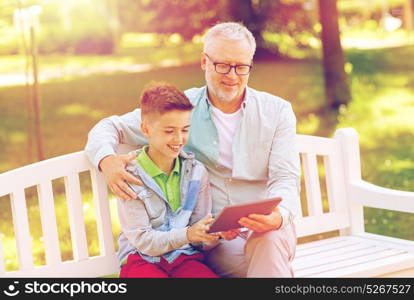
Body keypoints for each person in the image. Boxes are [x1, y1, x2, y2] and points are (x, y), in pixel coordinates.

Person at [86, 22, 300, 277]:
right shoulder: (180, 110)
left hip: (266, 229)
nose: (232, 76)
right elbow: (109, 127)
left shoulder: (277, 111)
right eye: (222, 65)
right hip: (214, 239)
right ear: (204, 62)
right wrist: (107, 161)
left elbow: (286, 178)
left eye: (241, 67)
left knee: (269, 240)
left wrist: (280, 215)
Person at [116, 83, 220, 278]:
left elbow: (198, 235)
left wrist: (214, 236)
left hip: (183, 256)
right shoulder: (129, 176)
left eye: (185, 130)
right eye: (169, 131)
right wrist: (188, 235)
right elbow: (143, 241)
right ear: (146, 129)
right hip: (140, 259)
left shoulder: (196, 173)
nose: (179, 139)